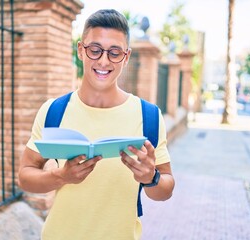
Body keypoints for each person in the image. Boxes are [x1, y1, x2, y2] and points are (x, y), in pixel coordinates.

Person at [18, 9, 175, 240]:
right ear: (81, 50)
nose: (103, 61)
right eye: (95, 50)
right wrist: (62, 176)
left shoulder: (148, 115)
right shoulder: (53, 111)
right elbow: (25, 176)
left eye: (114, 52)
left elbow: (166, 189)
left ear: (126, 56)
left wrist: (150, 177)